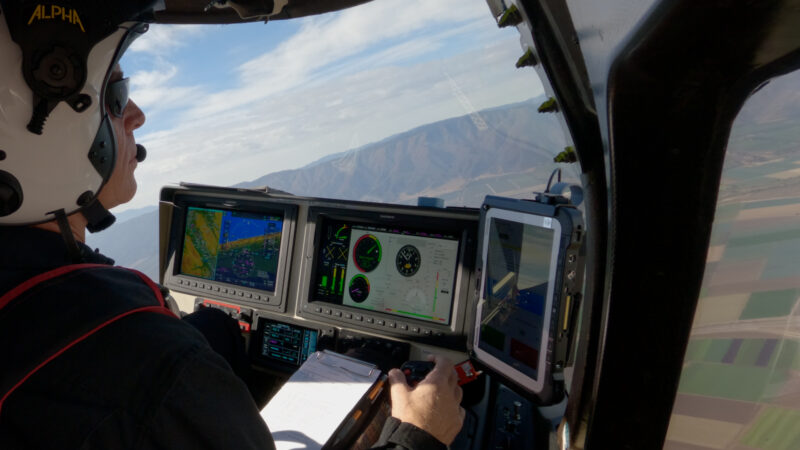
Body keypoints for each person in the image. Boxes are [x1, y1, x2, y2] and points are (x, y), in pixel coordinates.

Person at [0, 1, 464, 449]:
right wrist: (418, 435)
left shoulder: (40, 304)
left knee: (216, 326)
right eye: (117, 94)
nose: (137, 115)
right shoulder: (148, 363)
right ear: (41, 133)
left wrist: (210, 332)